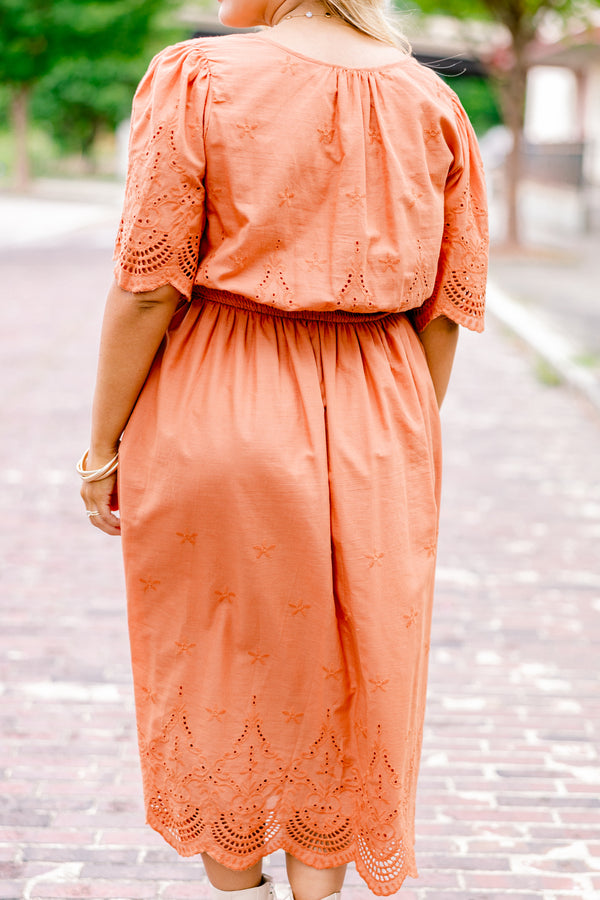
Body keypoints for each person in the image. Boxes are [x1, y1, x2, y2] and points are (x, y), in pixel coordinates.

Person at [79, 0, 488, 897]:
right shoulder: (432, 101)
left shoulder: (201, 77)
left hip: (219, 399)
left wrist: (102, 443)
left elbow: (149, 287)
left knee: (226, 658)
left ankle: (236, 880)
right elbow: (448, 312)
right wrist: (398, 436)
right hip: (382, 405)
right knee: (353, 670)